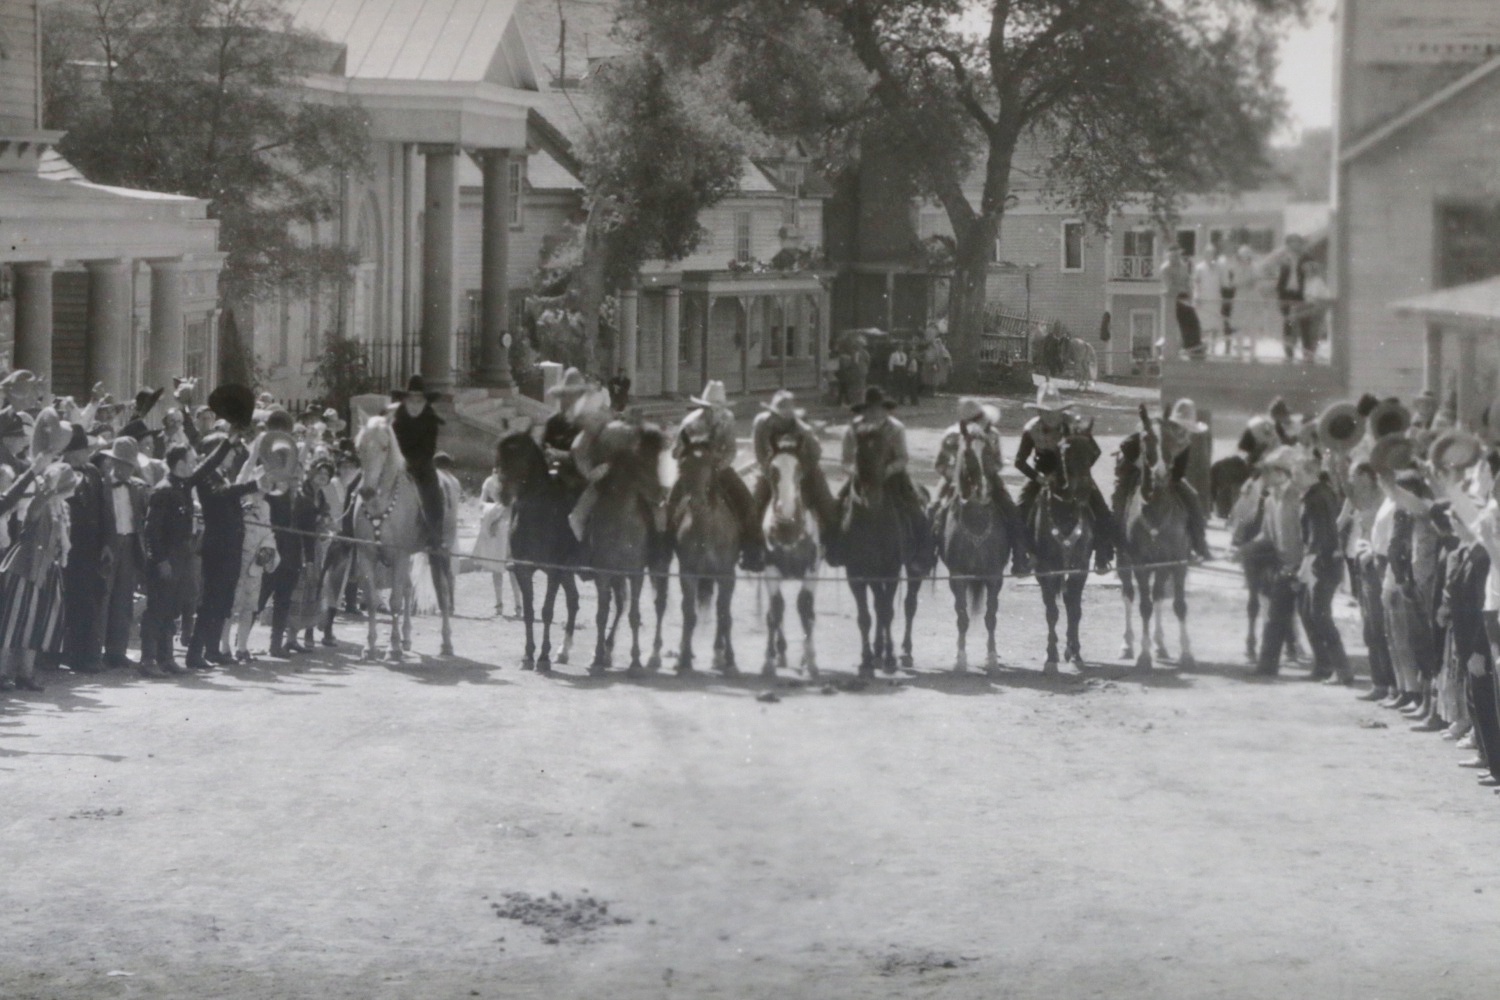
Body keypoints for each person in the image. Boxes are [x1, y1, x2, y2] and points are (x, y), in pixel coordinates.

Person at [1015, 384, 1114, 571]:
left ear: (1061, 411)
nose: (1051, 416)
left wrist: (1080, 472)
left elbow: (1095, 451)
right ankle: (1022, 557)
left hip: (1074, 474)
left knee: (1102, 509)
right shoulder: (1031, 429)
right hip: (1043, 474)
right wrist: (1038, 477)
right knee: (1019, 510)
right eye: (1046, 412)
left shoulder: (1075, 425)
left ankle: (1103, 554)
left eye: (1055, 411)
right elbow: (1019, 461)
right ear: (1039, 412)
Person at [0, 462, 79, 694]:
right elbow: (33, 514)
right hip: (25, 566)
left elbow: (62, 541)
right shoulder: (39, 503)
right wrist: (46, 493)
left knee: (36, 622)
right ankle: (2, 673)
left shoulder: (63, 508)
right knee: (13, 621)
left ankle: (25, 674)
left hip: (47, 569)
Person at [671, 381, 764, 570]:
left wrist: (719, 466)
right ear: (704, 406)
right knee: (670, 505)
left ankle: (751, 551)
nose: (716, 411)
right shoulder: (690, 422)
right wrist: (690, 458)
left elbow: (731, 449)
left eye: (719, 407)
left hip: (719, 469)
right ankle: (661, 551)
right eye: (712, 407)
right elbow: (676, 451)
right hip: (693, 471)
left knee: (747, 502)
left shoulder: (727, 419)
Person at [835, 385, 931, 569]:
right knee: (837, 505)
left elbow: (903, 457)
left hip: (891, 476)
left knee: (915, 509)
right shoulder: (852, 429)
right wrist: (856, 471)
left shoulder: (895, 428)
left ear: (885, 409)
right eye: (870, 409)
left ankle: (921, 557)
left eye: (878, 409)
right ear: (864, 410)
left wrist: (887, 470)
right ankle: (836, 551)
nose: (874, 413)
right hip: (862, 476)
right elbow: (845, 460)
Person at [933, 396, 1028, 573]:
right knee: (933, 508)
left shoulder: (992, 435)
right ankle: (926, 555)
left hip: (988, 478)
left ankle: (1020, 556)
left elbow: (998, 462)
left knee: (1011, 509)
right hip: (954, 480)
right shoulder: (951, 437)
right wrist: (955, 475)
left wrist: (988, 470)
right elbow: (940, 464)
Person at [1111, 399, 1211, 561]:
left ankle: (1198, 544)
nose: (1182, 430)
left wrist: (1167, 478)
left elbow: (1178, 471)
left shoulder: (1186, 441)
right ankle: (1118, 547)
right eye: (1179, 425)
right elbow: (1126, 446)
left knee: (1192, 496)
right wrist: (1144, 466)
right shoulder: (1155, 431)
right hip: (1136, 470)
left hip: (1166, 477)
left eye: (1186, 427)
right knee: (1120, 500)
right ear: (1172, 423)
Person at [139, 445, 200, 677]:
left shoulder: (182, 488)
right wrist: (160, 560)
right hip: (165, 557)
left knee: (172, 608)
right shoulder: (163, 490)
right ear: (180, 464)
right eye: (191, 461)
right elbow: (151, 530)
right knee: (157, 608)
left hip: (180, 556)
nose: (194, 466)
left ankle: (166, 658)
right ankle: (148, 659)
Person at [1294, 448, 1352, 684]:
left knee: (1319, 615)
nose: (1294, 478)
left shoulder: (1314, 498)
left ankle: (1341, 669)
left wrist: (1305, 567)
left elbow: (1316, 536)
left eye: (1298, 473)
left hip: (1322, 563)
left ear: (1311, 473)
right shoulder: (1321, 492)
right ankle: (1323, 665)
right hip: (1326, 562)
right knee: (1308, 611)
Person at [58, 423, 110, 675]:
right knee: (74, 601)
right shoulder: (60, 471)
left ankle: (88, 654)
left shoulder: (92, 472)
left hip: (91, 547)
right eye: (82, 450)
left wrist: (107, 542)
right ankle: (73, 655)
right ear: (69, 451)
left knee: (91, 599)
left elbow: (103, 508)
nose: (87, 454)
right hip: (69, 547)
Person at [750, 389, 836, 534]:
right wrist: (768, 471)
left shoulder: (803, 428)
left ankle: (833, 537)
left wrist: (801, 472)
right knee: (755, 503)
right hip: (773, 469)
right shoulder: (761, 423)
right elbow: (758, 451)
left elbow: (816, 453)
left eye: (785, 416)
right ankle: (752, 539)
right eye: (776, 414)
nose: (779, 419)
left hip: (801, 468)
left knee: (826, 503)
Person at [96, 436, 148, 672]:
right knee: (103, 597)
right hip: (108, 545)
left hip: (130, 544)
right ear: (113, 462)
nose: (127, 470)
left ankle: (117, 652)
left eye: (130, 465)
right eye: (123, 464)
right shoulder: (101, 485)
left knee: (124, 599)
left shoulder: (138, 487)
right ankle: (95, 652)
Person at [388, 375, 445, 550]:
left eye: (419, 400)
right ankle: (348, 532)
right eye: (410, 400)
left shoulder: (431, 419)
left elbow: (428, 450)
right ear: (404, 401)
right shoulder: (396, 418)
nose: (414, 405)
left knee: (432, 491)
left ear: (425, 402)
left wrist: (410, 464)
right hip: (396, 463)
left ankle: (435, 537)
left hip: (421, 464)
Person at [473, 460, 512, 617]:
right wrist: (492, 511)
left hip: (509, 521)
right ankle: (499, 603)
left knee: (512, 566)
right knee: (497, 567)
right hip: (497, 522)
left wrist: (496, 516)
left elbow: (512, 503)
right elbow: (481, 502)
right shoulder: (489, 481)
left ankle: (518, 604)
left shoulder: (510, 480)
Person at [1160, 244, 1202, 356]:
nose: (1176, 258)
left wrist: (1190, 294)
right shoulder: (1165, 269)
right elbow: (1170, 286)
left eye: (1178, 255)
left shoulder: (1183, 266)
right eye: (1173, 255)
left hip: (1185, 297)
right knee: (1183, 322)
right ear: (1169, 256)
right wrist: (1182, 288)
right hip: (1174, 299)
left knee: (1194, 320)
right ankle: (1188, 346)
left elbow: (1187, 281)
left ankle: (1196, 346)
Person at [1275, 234, 1309, 362]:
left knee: (1304, 322)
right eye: (1291, 243)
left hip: (1302, 294)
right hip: (1286, 294)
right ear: (1288, 245)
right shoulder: (1283, 259)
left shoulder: (1306, 258)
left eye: (1297, 242)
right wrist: (1279, 297)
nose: (1294, 245)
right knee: (1288, 323)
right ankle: (1289, 353)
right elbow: (1279, 279)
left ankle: (1307, 353)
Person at [1192, 245, 1223, 353]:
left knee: (1214, 325)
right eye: (1209, 253)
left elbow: (1222, 283)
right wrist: (1197, 296)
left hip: (1215, 299)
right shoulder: (1199, 268)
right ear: (1205, 255)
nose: (1211, 256)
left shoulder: (1218, 267)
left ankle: (1213, 349)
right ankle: (1201, 348)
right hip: (1203, 300)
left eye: (1213, 254)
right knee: (1202, 325)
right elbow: (1196, 283)